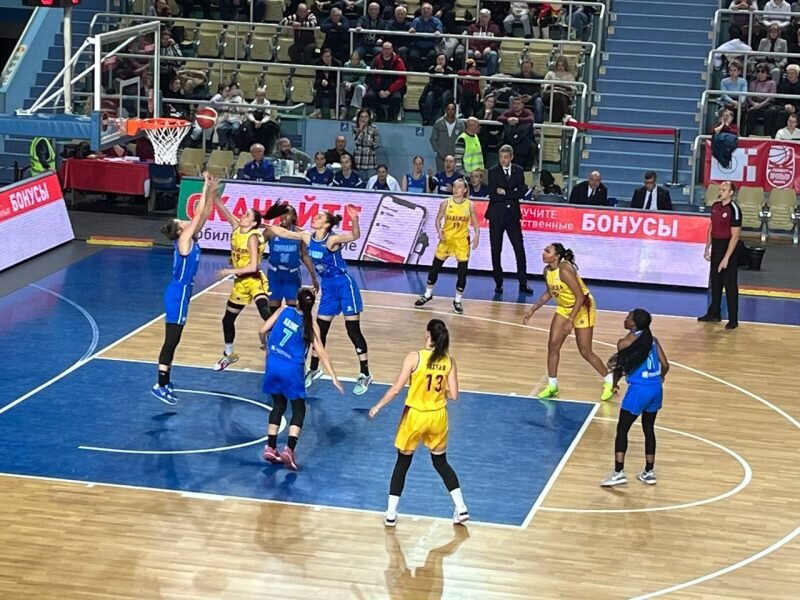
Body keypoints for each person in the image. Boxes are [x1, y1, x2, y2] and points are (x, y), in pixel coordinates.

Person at [368, 319, 469, 527]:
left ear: (428, 334)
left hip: (415, 416)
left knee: (402, 463)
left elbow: (396, 389)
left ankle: (391, 513)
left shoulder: (415, 357)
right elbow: (454, 394)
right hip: (438, 416)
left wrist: (378, 406)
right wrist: (437, 393)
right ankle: (461, 508)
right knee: (441, 463)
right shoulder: (449, 361)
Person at [267, 206, 373, 395]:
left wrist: (354, 219)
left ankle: (365, 373)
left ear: (326, 224)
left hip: (344, 284)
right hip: (328, 287)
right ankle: (314, 369)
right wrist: (262, 224)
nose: (314, 217)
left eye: (319, 217)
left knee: (352, 330)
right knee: (318, 330)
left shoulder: (331, 240)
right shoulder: (307, 237)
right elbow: (284, 232)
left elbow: (355, 236)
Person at [259, 288, 344, 470]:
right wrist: (333, 377)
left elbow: (262, 330)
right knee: (299, 409)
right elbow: (321, 352)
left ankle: (271, 447)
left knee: (278, 405)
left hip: (273, 363)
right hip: (292, 369)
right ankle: (289, 450)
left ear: (297, 301)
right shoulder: (311, 325)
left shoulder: (283, 310)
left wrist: (264, 344)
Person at [152, 172, 216, 405]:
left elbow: (204, 213)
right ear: (180, 231)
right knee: (172, 340)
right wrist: (204, 184)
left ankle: (165, 381)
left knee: (174, 340)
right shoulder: (183, 241)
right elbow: (198, 214)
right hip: (177, 293)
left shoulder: (190, 238)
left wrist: (212, 192)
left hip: (182, 292)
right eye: (181, 222)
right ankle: (160, 384)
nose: (185, 221)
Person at [522, 243, 615, 401]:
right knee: (553, 345)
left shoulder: (565, 270)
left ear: (557, 256)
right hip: (564, 308)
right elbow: (549, 293)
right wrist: (533, 309)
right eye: (544, 250)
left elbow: (580, 296)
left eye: (547, 251)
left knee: (585, 350)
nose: (543, 253)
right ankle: (552, 385)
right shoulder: (547, 271)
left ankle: (609, 381)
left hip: (583, 307)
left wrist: (570, 320)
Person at [212, 198, 288, 371]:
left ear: (253, 223)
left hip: (254, 280)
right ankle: (229, 355)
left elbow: (253, 266)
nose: (242, 215)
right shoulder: (236, 228)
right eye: (243, 213)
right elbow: (221, 207)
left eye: (247, 215)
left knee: (265, 312)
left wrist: (229, 271)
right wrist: (211, 191)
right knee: (227, 320)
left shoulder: (253, 237)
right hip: (240, 283)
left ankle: (284, 344)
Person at [601, 309, 669, 487]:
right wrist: (661, 377)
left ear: (633, 324)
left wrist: (614, 384)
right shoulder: (653, 339)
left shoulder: (624, 342)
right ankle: (649, 472)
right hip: (656, 389)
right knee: (649, 428)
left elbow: (620, 366)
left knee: (622, 429)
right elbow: (665, 365)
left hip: (639, 391)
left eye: (628, 317)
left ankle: (618, 473)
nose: (625, 319)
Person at [415, 178, 479, 314]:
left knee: (462, 273)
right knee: (435, 268)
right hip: (447, 240)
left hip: (461, 241)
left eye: (459, 187)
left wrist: (477, 235)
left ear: (465, 190)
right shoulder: (445, 203)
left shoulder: (469, 205)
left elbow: (475, 222)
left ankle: (457, 301)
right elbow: (438, 219)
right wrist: (439, 231)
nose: (456, 189)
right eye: (454, 186)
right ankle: (427, 294)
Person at [486, 145, 532, 294]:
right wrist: (512, 193)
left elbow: (522, 192)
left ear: (511, 157)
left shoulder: (518, 170)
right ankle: (498, 282)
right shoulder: (493, 171)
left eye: (506, 157)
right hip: (496, 216)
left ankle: (523, 282)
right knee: (496, 250)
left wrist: (505, 193)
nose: (503, 160)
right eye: (501, 157)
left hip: (512, 216)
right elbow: (492, 194)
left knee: (519, 249)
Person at [698, 181, 741, 329]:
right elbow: (711, 227)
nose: (720, 191)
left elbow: (735, 236)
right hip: (716, 246)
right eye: (720, 189)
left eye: (724, 190)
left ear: (731, 193)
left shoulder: (734, 210)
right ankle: (714, 313)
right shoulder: (715, 206)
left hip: (728, 247)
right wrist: (707, 247)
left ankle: (733, 319)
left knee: (730, 285)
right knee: (715, 282)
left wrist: (726, 258)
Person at [264, 205, 319, 312]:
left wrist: (313, 277)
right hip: (274, 274)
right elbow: (256, 247)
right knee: (272, 310)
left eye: (287, 213)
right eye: (282, 214)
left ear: (294, 217)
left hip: (292, 275)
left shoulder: (300, 233)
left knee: (293, 309)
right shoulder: (270, 231)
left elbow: (304, 255)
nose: (284, 216)